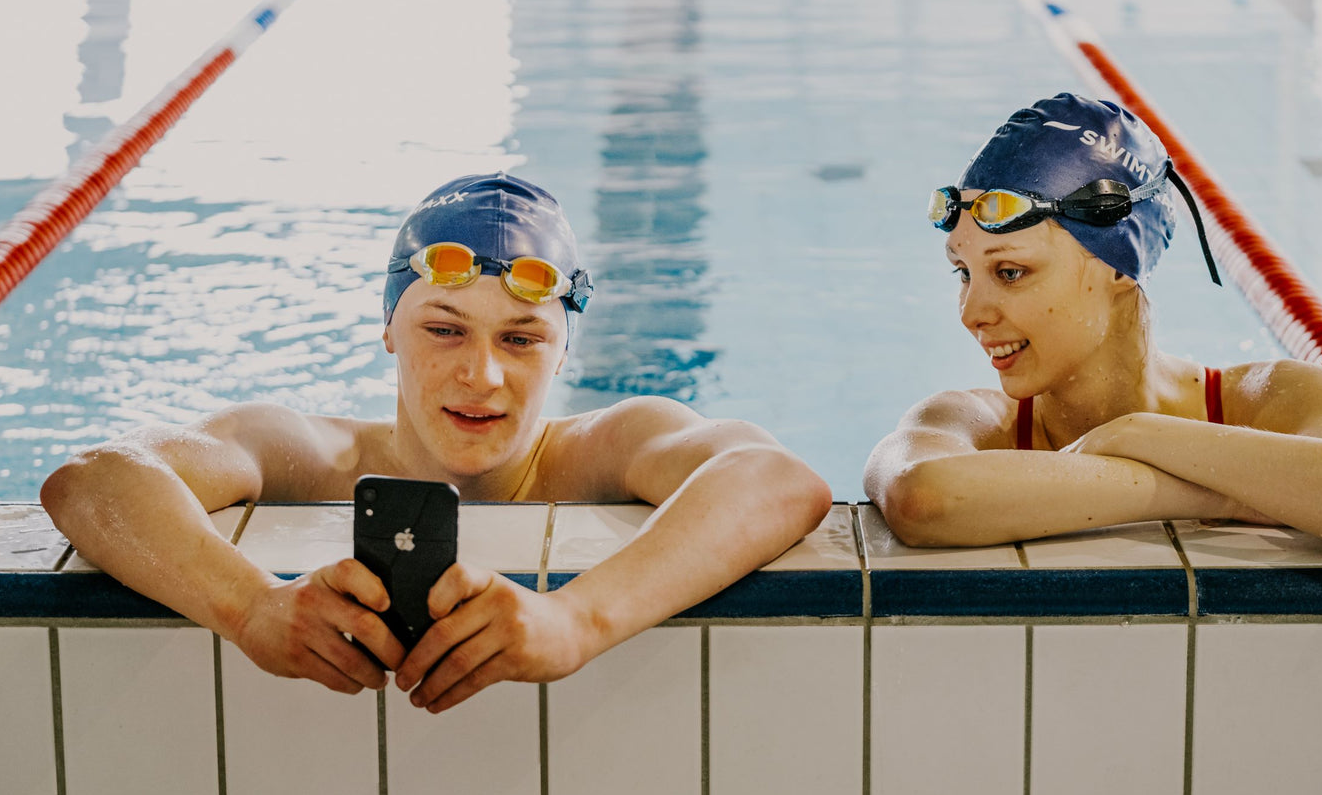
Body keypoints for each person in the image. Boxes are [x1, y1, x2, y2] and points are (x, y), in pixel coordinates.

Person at [43, 173, 832, 713]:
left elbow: (776, 480)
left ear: (564, 352)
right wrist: (251, 605)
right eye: (445, 330)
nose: (482, 375)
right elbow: (95, 479)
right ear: (389, 327)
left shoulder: (606, 447)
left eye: (521, 340)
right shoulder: (313, 455)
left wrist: (575, 622)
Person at [863, 93, 1322, 565]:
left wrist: (1138, 433)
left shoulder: (1271, 399)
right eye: (963, 274)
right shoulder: (972, 421)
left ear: (1118, 265)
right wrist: (1224, 492)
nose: (971, 311)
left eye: (1011, 272)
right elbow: (922, 497)